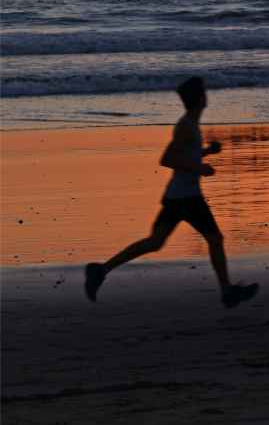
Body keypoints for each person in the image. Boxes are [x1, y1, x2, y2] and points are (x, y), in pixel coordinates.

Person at [84, 77, 257, 308]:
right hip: (187, 197)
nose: (207, 96)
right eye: (204, 93)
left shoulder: (191, 124)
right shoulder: (186, 126)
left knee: (155, 242)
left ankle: (101, 270)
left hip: (178, 196)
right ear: (199, 99)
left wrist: (206, 152)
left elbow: (184, 156)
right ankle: (227, 292)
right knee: (215, 239)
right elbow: (167, 159)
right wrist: (200, 167)